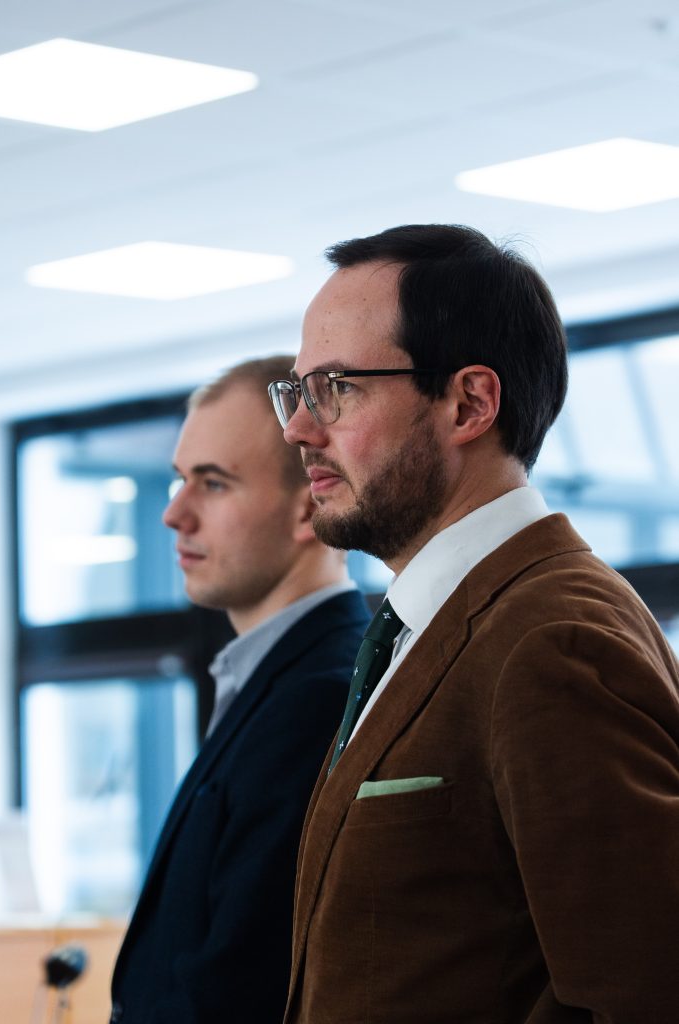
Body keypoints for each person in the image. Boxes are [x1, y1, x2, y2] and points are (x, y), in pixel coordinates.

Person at [268, 225, 679, 1024]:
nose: (298, 428)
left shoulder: (551, 637)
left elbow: (646, 993)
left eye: (336, 388)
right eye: (297, 391)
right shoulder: (435, 622)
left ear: (468, 404)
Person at [110, 356, 369, 1024]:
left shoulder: (320, 696)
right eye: (180, 480)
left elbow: (241, 988)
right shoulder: (272, 677)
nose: (174, 514)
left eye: (213, 483)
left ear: (310, 505)